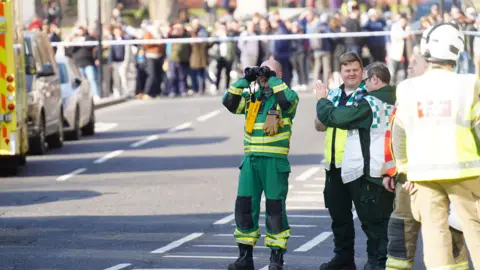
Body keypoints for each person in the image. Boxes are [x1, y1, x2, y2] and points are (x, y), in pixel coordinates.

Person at [392, 22, 480, 268]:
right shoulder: (468, 85)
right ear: (457, 51)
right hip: (465, 172)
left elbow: (398, 134)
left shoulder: (407, 88)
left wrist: (403, 169)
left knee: (434, 234)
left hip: (422, 174)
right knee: (475, 228)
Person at [383, 52, 468, 269]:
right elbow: (394, 135)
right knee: (402, 228)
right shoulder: (408, 93)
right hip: (411, 176)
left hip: (440, 177)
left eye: (416, 62)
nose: (409, 66)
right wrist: (394, 172)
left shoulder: (449, 93)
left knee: (449, 232)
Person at [316, 60, 396, 269]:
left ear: (375, 79)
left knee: (375, 225)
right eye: (347, 70)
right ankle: (376, 262)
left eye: (365, 78)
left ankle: (377, 264)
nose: (364, 83)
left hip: (370, 170)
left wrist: (322, 101)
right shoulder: (397, 98)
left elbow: (335, 117)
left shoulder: (369, 102)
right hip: (383, 168)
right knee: (379, 223)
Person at [222, 59, 299, 270]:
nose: (264, 77)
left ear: (279, 76)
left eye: (270, 73)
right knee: (245, 207)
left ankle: (276, 258)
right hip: (250, 161)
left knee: (275, 210)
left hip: (274, 163)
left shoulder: (287, 96)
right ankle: (245, 257)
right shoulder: (251, 97)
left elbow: (285, 102)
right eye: (263, 73)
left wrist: (272, 77)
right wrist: (246, 79)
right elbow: (229, 101)